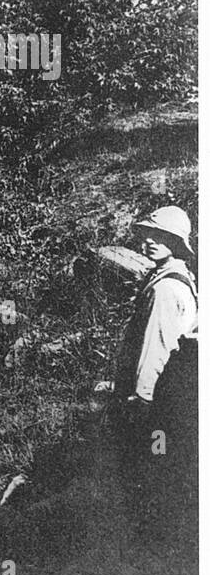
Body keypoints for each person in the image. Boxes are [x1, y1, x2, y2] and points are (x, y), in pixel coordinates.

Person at [113, 205, 198, 536]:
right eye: (146, 234)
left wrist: (140, 399)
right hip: (171, 395)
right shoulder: (175, 277)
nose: (149, 241)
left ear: (175, 242)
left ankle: (148, 539)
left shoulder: (165, 288)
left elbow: (156, 347)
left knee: (147, 465)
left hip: (157, 396)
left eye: (160, 236)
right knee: (159, 466)